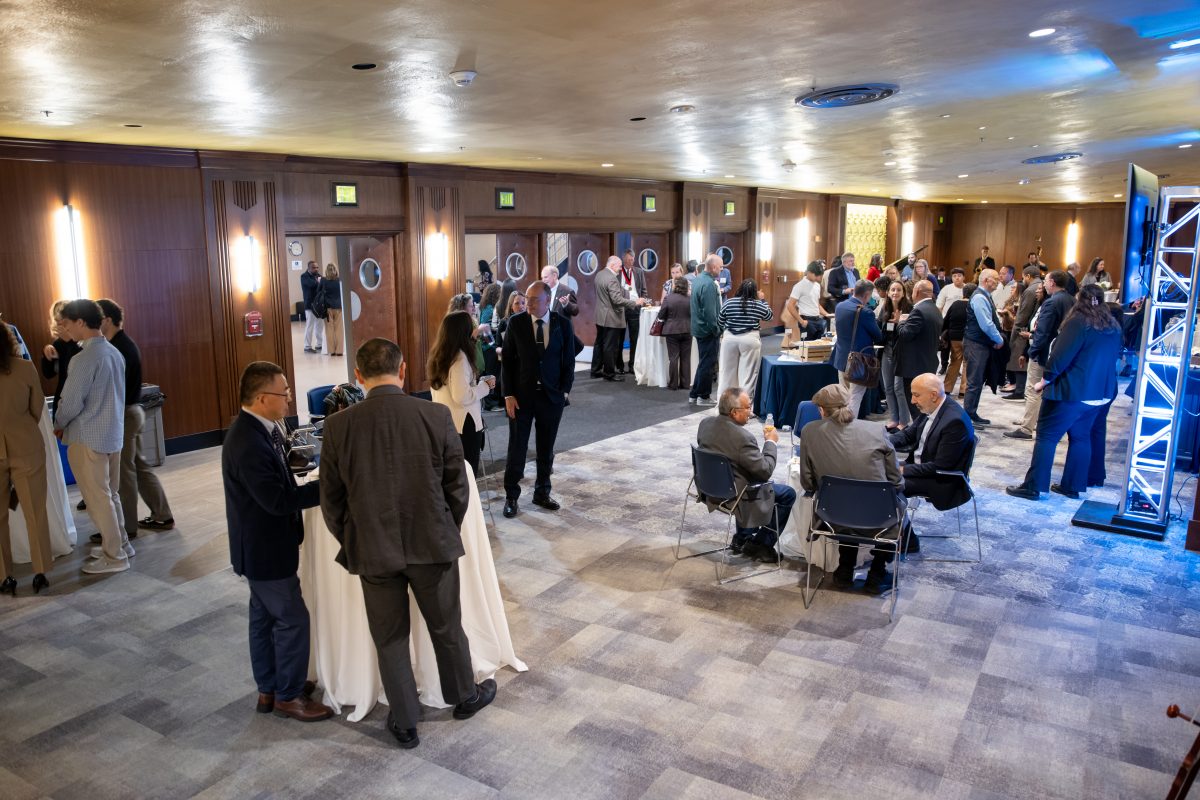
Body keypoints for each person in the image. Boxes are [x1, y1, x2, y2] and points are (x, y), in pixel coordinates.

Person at [320, 338, 495, 748]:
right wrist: (443, 527)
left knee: (390, 637)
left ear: (358, 377)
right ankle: (465, 696)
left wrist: (352, 537)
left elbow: (331, 500)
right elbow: (458, 486)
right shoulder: (435, 416)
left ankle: (405, 721)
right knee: (447, 626)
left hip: (373, 550)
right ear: (402, 371)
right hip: (431, 542)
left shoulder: (338, 426)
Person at [222, 361, 330, 722]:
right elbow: (277, 501)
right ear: (260, 397)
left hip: (261, 546)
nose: (288, 400)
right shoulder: (247, 441)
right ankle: (288, 695)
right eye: (283, 393)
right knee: (292, 620)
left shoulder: (260, 430)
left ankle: (269, 689)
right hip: (265, 548)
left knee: (264, 620)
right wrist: (329, 487)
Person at [1006, 285, 1122, 500]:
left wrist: (1045, 380)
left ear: (1080, 299)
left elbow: (1060, 356)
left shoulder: (1078, 322)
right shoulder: (1112, 325)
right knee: (1081, 438)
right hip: (1098, 394)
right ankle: (1072, 486)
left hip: (1071, 392)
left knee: (1046, 437)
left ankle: (1033, 486)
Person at [799, 384, 904, 595]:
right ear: (849, 405)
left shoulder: (809, 432)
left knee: (846, 502)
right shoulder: (877, 431)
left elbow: (808, 484)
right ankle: (877, 572)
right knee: (893, 505)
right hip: (880, 516)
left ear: (821, 410)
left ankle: (845, 568)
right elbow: (896, 481)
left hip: (831, 515)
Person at [56, 299, 130, 575]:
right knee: (110, 495)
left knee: (99, 499)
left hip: (88, 436)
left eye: (65, 323)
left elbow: (72, 400)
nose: (64, 329)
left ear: (80, 322)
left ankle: (115, 557)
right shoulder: (113, 352)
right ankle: (120, 543)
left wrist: (59, 422)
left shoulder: (84, 358)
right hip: (112, 434)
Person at [94, 299, 175, 547]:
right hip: (132, 411)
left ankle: (127, 528)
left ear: (107, 320)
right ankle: (162, 515)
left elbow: (116, 389)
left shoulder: (119, 347)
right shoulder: (121, 344)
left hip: (126, 414)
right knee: (138, 467)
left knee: (125, 473)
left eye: (97, 319)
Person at [501, 281, 576, 518]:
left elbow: (568, 362)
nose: (529, 303)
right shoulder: (516, 323)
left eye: (534, 300)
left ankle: (542, 491)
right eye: (528, 299)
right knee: (517, 447)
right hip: (521, 397)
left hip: (551, 397)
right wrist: (508, 394)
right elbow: (509, 362)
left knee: (546, 448)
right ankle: (511, 495)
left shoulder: (562, 324)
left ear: (547, 300)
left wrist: (564, 391)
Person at [696, 388, 796, 562]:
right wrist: (771, 442)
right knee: (787, 494)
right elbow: (765, 471)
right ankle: (762, 544)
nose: (751, 412)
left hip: (708, 487)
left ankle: (742, 538)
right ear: (734, 412)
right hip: (734, 495)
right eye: (747, 408)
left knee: (742, 474)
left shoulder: (705, 424)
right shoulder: (743, 438)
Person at [888, 374, 975, 551]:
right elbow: (908, 435)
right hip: (924, 468)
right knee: (878, 475)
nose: (912, 400)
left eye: (916, 395)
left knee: (887, 485)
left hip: (943, 480)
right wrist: (882, 441)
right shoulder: (932, 409)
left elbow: (941, 467)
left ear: (933, 395)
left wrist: (902, 469)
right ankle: (893, 531)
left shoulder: (954, 421)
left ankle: (908, 540)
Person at [0, 322, 53, 596]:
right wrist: (21, 427)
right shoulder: (24, 367)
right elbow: (37, 407)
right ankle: (41, 571)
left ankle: (4, 576)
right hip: (27, 447)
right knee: (35, 512)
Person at [1005, 270, 1073, 441]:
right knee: (1044, 390)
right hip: (1060, 353)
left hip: (1043, 352)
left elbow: (1043, 332)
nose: (1042, 284)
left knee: (1033, 389)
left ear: (1052, 283)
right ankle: (1032, 421)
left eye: (1046, 281)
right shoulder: (1072, 300)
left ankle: (1027, 428)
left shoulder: (1051, 302)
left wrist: (1031, 352)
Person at [429, 311, 496, 476]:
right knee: (466, 475)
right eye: (471, 326)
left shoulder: (439, 354)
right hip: (464, 423)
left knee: (452, 476)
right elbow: (461, 396)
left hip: (445, 421)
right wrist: (485, 386)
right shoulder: (460, 357)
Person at [961, 268, 1006, 426]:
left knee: (977, 380)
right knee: (974, 381)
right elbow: (986, 324)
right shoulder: (980, 298)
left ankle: (971, 412)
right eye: (995, 278)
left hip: (979, 343)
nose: (998, 281)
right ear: (986, 280)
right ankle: (967, 416)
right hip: (976, 344)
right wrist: (999, 339)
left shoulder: (985, 296)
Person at [832, 279, 882, 418]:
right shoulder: (866, 312)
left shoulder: (840, 306)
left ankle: (840, 427)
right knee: (855, 398)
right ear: (866, 295)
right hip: (858, 362)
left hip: (841, 358)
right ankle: (848, 429)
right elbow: (878, 336)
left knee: (843, 397)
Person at [592, 256, 646, 381]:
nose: (621, 269)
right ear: (612, 266)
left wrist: (630, 295)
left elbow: (616, 292)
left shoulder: (600, 274)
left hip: (600, 316)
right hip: (611, 318)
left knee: (599, 344)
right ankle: (609, 374)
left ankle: (595, 370)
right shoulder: (612, 279)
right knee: (610, 347)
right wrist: (635, 302)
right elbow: (616, 299)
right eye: (619, 266)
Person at [717, 279, 773, 399]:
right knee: (748, 375)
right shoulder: (757, 304)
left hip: (729, 339)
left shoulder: (729, 303)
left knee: (726, 373)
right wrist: (762, 299)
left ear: (740, 288)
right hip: (750, 339)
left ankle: (724, 406)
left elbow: (720, 321)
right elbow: (769, 316)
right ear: (754, 292)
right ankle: (744, 407)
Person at [895, 280, 943, 420]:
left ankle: (919, 436)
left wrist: (901, 321)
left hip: (914, 367)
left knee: (917, 405)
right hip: (927, 362)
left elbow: (905, 334)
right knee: (925, 405)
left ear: (916, 292)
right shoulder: (935, 309)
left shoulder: (918, 311)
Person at [877, 280, 913, 431]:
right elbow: (879, 331)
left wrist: (899, 323)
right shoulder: (884, 308)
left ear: (903, 293)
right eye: (892, 290)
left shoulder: (909, 309)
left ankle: (904, 421)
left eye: (898, 290)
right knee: (888, 388)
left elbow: (910, 334)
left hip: (902, 353)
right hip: (887, 351)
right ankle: (893, 418)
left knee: (899, 388)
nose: (895, 293)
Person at [1003, 266, 1043, 400]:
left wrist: (1016, 328)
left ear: (1028, 276)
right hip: (1033, 328)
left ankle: (1020, 390)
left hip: (1024, 329)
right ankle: (1020, 389)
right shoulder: (1040, 286)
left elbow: (1023, 313)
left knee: (1019, 358)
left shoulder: (1030, 289)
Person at [688, 254, 723, 406]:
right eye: (720, 267)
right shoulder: (709, 284)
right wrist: (717, 330)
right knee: (708, 365)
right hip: (707, 330)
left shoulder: (697, 279)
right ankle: (703, 396)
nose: (721, 270)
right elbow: (710, 313)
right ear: (714, 267)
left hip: (698, 327)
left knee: (703, 363)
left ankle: (694, 394)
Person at [40, 300, 81, 415]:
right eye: (57, 321)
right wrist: (46, 355)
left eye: (63, 321)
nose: (60, 326)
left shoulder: (83, 341)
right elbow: (49, 374)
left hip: (80, 401)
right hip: (62, 398)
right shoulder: (58, 343)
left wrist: (70, 341)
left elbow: (78, 370)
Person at [657, 276, 692, 390]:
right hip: (688, 330)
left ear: (675, 286)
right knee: (686, 358)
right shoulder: (690, 298)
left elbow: (661, 315)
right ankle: (686, 384)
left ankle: (673, 384)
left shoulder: (668, 298)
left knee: (673, 358)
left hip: (671, 330)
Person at [783, 260, 832, 341]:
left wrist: (827, 314)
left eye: (819, 275)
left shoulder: (817, 285)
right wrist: (801, 321)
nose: (818, 278)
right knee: (806, 348)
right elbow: (790, 305)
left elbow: (817, 304)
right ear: (809, 272)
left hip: (818, 320)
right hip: (806, 320)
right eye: (816, 275)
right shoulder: (799, 286)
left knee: (819, 346)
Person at [620, 249, 651, 372]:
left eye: (632, 259)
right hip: (621, 308)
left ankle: (632, 365)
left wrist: (642, 302)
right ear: (624, 260)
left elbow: (643, 290)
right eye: (628, 259)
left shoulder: (638, 272)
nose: (630, 262)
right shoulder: (618, 272)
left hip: (634, 308)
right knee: (619, 339)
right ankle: (620, 366)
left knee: (634, 338)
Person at [942, 284, 974, 398]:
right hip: (968, 337)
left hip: (954, 337)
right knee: (966, 364)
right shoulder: (973, 305)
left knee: (954, 362)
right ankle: (963, 391)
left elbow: (945, 321)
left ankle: (946, 388)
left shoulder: (955, 304)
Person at [300, 261, 324, 353]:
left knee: (319, 325)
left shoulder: (318, 276)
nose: (316, 269)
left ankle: (319, 344)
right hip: (310, 305)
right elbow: (311, 285)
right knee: (310, 326)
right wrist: (318, 282)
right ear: (309, 268)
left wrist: (319, 282)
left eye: (317, 267)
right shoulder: (304, 276)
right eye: (314, 267)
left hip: (319, 305)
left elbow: (323, 285)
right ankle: (307, 346)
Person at [321, 263, 344, 356]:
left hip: (327, 308)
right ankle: (339, 351)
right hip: (339, 307)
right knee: (339, 330)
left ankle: (331, 351)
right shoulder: (339, 280)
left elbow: (319, 292)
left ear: (326, 270)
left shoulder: (323, 280)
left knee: (329, 330)